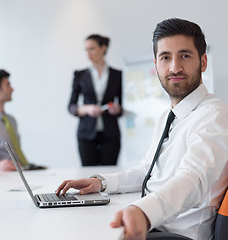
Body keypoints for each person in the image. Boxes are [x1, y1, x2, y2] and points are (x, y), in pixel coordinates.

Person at [56, 18, 228, 240]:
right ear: (155, 64)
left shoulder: (215, 115)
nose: (175, 67)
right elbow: (147, 171)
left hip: (178, 235)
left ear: (203, 62)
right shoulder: (168, 116)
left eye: (185, 55)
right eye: (166, 57)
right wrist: (102, 182)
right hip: (157, 225)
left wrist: (144, 212)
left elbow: (193, 179)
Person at [68, 34, 123, 166]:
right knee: (88, 175)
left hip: (111, 133)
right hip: (86, 134)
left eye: (91, 48)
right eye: (86, 49)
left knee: (110, 173)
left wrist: (117, 108)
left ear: (103, 48)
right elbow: (71, 106)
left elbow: (122, 105)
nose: (88, 53)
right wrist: (87, 109)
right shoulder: (80, 75)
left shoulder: (117, 74)